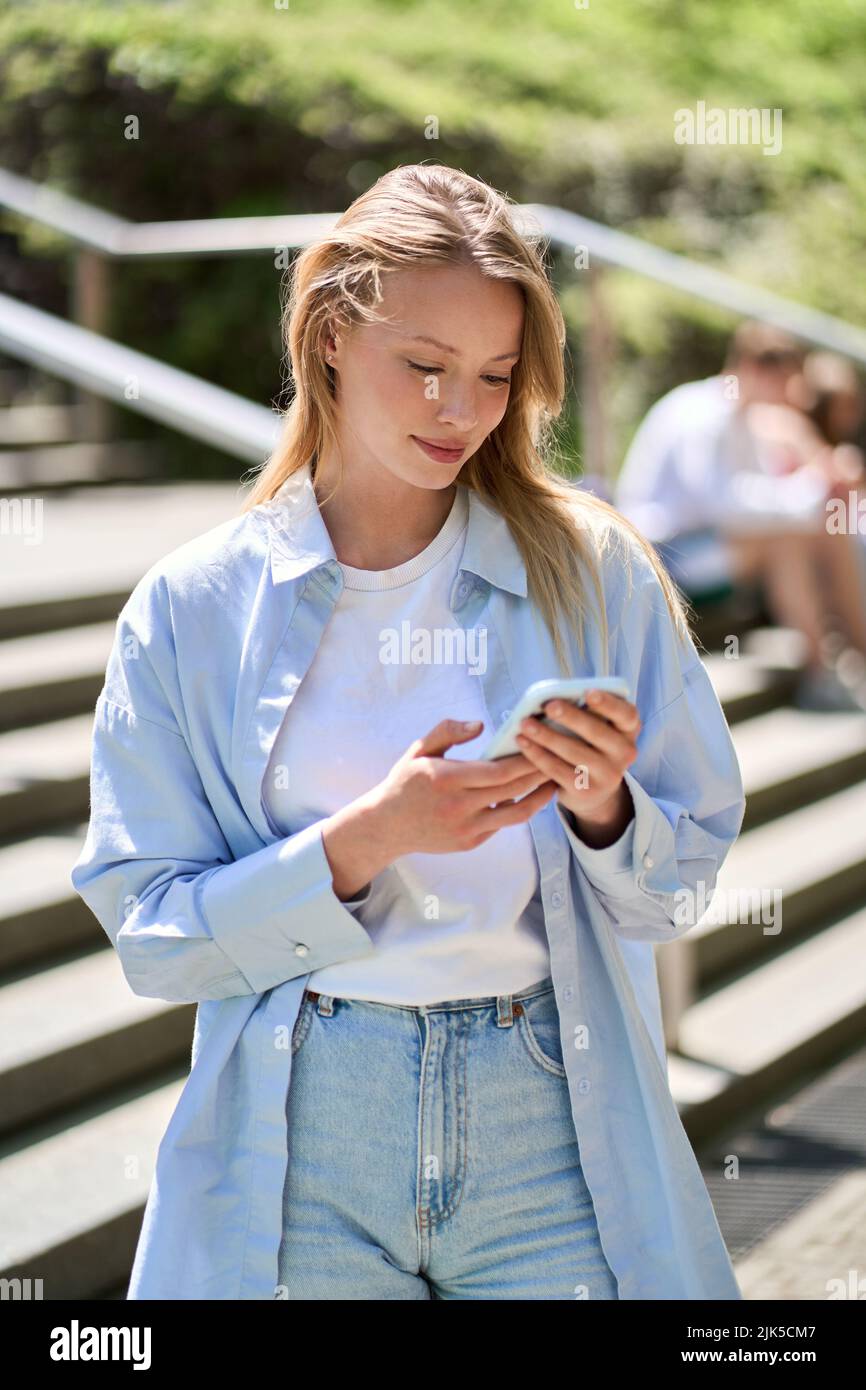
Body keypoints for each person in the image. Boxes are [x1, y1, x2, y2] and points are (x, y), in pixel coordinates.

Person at [70, 163, 747, 1301]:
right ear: (329, 332)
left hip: (549, 1120)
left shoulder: (594, 574)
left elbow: (675, 888)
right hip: (305, 1134)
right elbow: (150, 936)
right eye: (423, 368)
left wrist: (601, 808)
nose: (459, 411)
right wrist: (359, 845)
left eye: (493, 377)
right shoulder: (193, 607)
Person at [616, 323, 866, 711]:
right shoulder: (698, 413)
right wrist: (808, 495)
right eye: (782, 381)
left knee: (826, 531)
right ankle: (820, 672)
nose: (788, 396)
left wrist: (809, 497)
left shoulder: (741, 416)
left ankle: (855, 653)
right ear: (752, 369)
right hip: (664, 557)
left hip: (709, 545)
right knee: (788, 541)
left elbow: (755, 497)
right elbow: (718, 504)